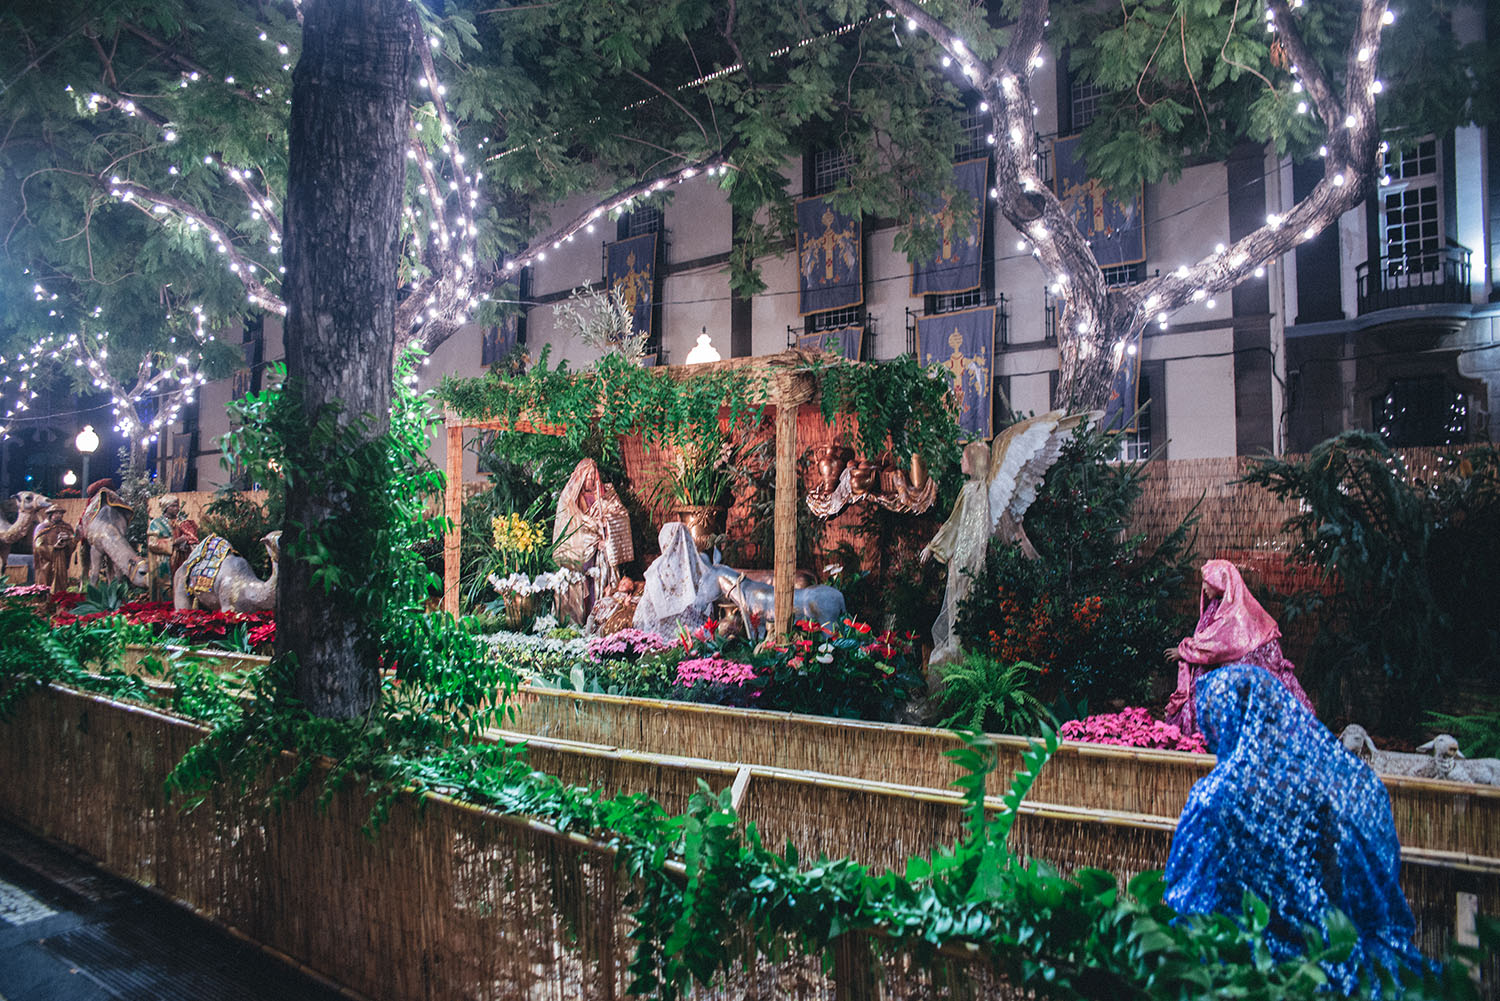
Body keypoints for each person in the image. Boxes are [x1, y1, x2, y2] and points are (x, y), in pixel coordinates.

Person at [1165, 664, 1427, 994]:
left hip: (1242, 968)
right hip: (1334, 953)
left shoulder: (1215, 798)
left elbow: (1192, 900)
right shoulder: (1342, 784)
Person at [1164, 559, 1313, 735]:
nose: (1203, 587)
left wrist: (1185, 651)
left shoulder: (1236, 614)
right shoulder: (1217, 607)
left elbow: (1218, 646)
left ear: (1220, 582)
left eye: (1207, 582)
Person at [919, 440, 993, 671]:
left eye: (964, 457)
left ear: (973, 460)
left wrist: (932, 547)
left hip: (963, 562)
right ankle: (966, 663)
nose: (961, 461)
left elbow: (954, 524)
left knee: (959, 612)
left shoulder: (971, 490)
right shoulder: (983, 489)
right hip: (975, 560)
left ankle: (960, 667)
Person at [552, 458, 633, 625]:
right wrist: (592, 534)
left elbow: (621, 515)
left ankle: (602, 622)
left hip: (602, 552)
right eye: (587, 477)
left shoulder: (607, 496)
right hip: (583, 550)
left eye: (592, 476)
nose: (590, 480)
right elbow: (570, 525)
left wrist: (607, 523)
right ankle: (579, 622)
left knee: (602, 584)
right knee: (583, 583)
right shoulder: (571, 499)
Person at [633, 522, 709, 638]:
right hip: (695, 635)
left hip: (661, 633)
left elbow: (647, 605)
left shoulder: (657, 568)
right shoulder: (698, 566)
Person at [146, 495, 192, 601]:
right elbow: (152, 544)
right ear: (166, 507)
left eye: (177, 506)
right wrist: (174, 542)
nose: (177, 508)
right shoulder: (156, 523)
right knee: (165, 592)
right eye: (174, 506)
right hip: (164, 564)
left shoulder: (181, 523)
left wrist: (185, 545)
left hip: (179, 562)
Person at [32, 505, 77, 593]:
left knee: (61, 578)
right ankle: (45, 598)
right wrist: (53, 548)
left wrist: (67, 542)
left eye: (60, 513)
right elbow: (38, 546)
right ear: (50, 515)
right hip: (47, 560)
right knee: (46, 579)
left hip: (61, 559)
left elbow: (73, 541)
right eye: (56, 513)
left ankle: (60, 596)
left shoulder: (66, 527)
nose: (58, 515)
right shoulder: (42, 527)